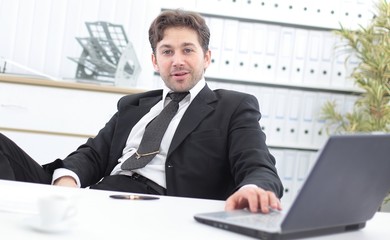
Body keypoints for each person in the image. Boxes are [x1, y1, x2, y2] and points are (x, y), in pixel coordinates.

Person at [0, 9, 283, 213]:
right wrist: (67, 178)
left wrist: (253, 189)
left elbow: (258, 166)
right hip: (98, 198)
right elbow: (92, 154)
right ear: (155, 60)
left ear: (206, 57)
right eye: (167, 51)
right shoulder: (134, 106)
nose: (178, 61)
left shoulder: (233, 106)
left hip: (157, 205)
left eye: (188, 50)